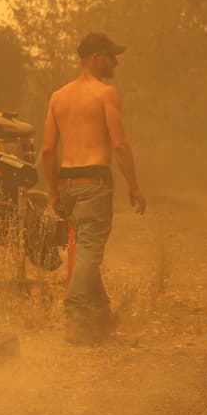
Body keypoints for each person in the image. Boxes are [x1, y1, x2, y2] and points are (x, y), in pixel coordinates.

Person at [41, 32, 146, 345]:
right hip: (95, 182)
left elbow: (47, 151)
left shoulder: (58, 97)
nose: (115, 62)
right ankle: (74, 313)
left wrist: (55, 192)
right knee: (89, 253)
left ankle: (101, 318)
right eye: (112, 56)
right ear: (97, 57)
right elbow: (119, 144)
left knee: (84, 248)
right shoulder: (105, 94)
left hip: (68, 181)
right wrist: (134, 185)